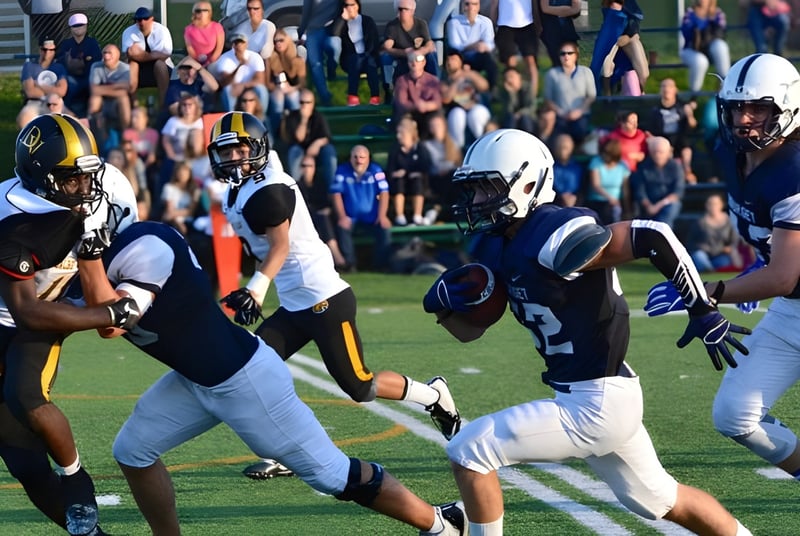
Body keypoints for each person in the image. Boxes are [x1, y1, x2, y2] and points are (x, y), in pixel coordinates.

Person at [423, 128, 752, 536]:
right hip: (596, 395)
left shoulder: (553, 231)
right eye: (473, 190)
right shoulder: (502, 243)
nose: (475, 201)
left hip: (595, 402)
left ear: (527, 184)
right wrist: (446, 304)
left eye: (486, 188)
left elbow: (653, 234)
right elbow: (471, 332)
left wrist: (700, 306)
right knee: (658, 499)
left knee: (469, 450)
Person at [205, 111, 462, 481]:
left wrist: (255, 289)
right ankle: (283, 452)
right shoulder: (239, 189)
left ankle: (434, 396)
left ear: (257, 148)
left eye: (239, 149)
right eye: (225, 152)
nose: (232, 159)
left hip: (325, 300)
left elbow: (279, 247)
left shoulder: (269, 189)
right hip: (294, 304)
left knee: (360, 384)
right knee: (252, 371)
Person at [648, 53, 800, 482]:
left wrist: (705, 290)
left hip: (790, 290)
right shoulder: (733, 155)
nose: (744, 119)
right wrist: (756, 266)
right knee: (734, 415)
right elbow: (768, 236)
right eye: (737, 107)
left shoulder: (794, 170)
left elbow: (785, 275)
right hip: (792, 310)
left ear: (787, 109)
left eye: (758, 108)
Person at [0, 114, 141, 536]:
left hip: (42, 320)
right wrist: (107, 314)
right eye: (70, 180)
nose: (84, 188)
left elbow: (94, 290)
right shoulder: (14, 217)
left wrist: (112, 307)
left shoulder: (94, 203)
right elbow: (27, 310)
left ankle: (76, 476)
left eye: (86, 177)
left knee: (26, 395)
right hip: (23, 313)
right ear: (40, 178)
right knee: (23, 461)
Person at [331, 144, 392, 271]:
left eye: (362, 157)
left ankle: (380, 266)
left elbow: (384, 193)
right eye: (355, 157)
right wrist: (342, 216)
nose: (359, 160)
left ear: (368, 158)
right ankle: (350, 265)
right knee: (342, 227)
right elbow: (336, 194)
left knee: (384, 229)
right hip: (350, 216)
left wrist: (382, 216)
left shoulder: (376, 170)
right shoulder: (342, 171)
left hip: (371, 216)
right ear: (350, 158)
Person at [296, 155, 348, 269]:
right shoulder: (296, 186)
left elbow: (326, 203)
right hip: (305, 219)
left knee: (328, 220)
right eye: (304, 166)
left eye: (310, 166)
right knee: (323, 220)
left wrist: (325, 210)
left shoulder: (321, 184)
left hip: (323, 218)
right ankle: (337, 257)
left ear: (314, 168)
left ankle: (340, 257)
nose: (307, 169)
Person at [381, 0, 438, 100]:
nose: (402, 12)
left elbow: (429, 44)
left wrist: (419, 52)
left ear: (412, 11)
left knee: (432, 55)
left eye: (405, 9)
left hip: (418, 57)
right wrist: (404, 53)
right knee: (385, 58)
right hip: (401, 58)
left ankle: (434, 86)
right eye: (399, 9)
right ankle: (388, 88)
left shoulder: (421, 24)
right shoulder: (392, 25)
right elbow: (387, 47)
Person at [543, 41, 595, 145]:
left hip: (581, 114)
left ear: (576, 55)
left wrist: (579, 111)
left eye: (570, 53)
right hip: (560, 115)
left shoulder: (586, 72)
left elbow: (591, 96)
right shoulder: (552, 74)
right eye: (563, 53)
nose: (566, 56)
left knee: (579, 131)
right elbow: (548, 99)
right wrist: (561, 112)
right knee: (558, 138)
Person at [280, 88, 338, 184]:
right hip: (298, 149)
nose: (304, 105)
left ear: (313, 103)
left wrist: (317, 144)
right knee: (295, 152)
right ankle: (295, 187)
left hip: (316, 151)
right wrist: (304, 120)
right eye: (302, 102)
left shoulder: (318, 116)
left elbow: (326, 137)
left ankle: (332, 189)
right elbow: (299, 139)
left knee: (329, 150)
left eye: (308, 102)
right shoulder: (292, 117)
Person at [647, 78, 699, 184]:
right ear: (660, 90)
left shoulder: (682, 107)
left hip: (679, 137)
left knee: (685, 147)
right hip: (663, 137)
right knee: (663, 146)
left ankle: (688, 172)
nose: (666, 89)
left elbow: (693, 125)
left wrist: (689, 115)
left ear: (675, 90)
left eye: (670, 86)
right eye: (664, 86)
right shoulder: (655, 109)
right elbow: (651, 130)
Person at [122, 7, 174, 109]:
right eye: (138, 19)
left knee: (160, 65)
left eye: (145, 18)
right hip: (140, 71)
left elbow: (165, 55)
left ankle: (163, 106)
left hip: (161, 70)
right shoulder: (129, 32)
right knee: (133, 64)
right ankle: (134, 106)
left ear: (152, 19)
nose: (142, 22)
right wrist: (154, 55)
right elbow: (129, 55)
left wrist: (140, 55)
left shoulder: (162, 31)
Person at [489, 0, 539, 103]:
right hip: (505, 25)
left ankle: (531, 99)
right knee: (510, 65)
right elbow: (494, 4)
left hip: (527, 25)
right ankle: (512, 100)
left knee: (531, 63)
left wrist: (538, 23)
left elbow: (534, 4)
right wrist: (492, 25)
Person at [387, 115, 433, 226]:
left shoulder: (420, 148)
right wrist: (398, 173)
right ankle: (400, 216)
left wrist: (411, 171)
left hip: (417, 181)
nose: (399, 136)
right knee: (398, 181)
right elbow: (390, 168)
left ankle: (417, 215)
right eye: (398, 133)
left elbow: (426, 165)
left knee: (417, 180)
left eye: (401, 133)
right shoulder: (395, 149)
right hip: (400, 182)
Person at [440, 50, 491, 150]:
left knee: (475, 114)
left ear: (460, 62)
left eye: (453, 59)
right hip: (456, 110)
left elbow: (485, 87)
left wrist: (469, 74)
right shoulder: (444, 82)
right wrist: (457, 81)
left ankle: (483, 145)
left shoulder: (470, 75)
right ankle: (459, 150)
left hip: (476, 107)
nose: (450, 62)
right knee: (457, 115)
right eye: (448, 60)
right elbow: (446, 99)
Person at [630, 136, 685, 227]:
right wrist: (648, 206)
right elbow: (640, 190)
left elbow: (677, 191)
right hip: (648, 203)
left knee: (671, 208)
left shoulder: (676, 167)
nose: (657, 155)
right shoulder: (643, 167)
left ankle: (660, 234)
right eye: (655, 152)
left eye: (661, 152)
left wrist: (658, 206)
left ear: (668, 152)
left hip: (667, 203)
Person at [335, 0, 382, 106]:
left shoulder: (367, 21)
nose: (350, 8)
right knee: (355, 59)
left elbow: (374, 42)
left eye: (352, 5)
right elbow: (335, 34)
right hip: (350, 61)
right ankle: (353, 97)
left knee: (370, 62)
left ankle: (375, 97)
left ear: (358, 6)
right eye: (346, 5)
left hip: (368, 56)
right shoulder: (342, 23)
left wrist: (366, 54)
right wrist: (343, 19)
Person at [679, 0, 730, 93]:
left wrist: (712, 19)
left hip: (711, 48)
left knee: (720, 46)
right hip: (692, 49)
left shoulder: (717, 13)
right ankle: (693, 95)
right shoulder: (690, 13)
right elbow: (687, 33)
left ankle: (725, 83)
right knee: (700, 61)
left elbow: (722, 33)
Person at [297, 0, 341, 106]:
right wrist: (301, 32)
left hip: (333, 29)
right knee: (315, 64)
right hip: (314, 30)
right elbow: (306, 12)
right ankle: (325, 97)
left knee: (334, 47)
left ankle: (331, 69)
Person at [445, 0, 497, 89]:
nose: (471, 7)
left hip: (478, 56)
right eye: (467, 4)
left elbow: (489, 45)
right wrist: (475, 46)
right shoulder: (454, 22)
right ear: (462, 6)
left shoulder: (486, 22)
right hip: (460, 55)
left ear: (478, 6)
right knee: (453, 59)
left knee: (490, 63)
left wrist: (479, 46)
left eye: (474, 4)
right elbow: (455, 46)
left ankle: (491, 90)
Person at [57, 13, 101, 116]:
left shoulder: (92, 43)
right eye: (75, 26)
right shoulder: (66, 44)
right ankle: (68, 115)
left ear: (86, 26)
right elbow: (61, 62)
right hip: (70, 78)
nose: (78, 28)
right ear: (71, 28)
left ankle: (91, 117)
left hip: (89, 77)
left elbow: (97, 61)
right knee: (69, 86)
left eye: (81, 25)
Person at [265, 28, 306, 135]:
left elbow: (302, 83)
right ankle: (275, 133)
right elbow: (267, 83)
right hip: (276, 88)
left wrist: (291, 88)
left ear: (288, 40)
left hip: (293, 88)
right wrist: (277, 88)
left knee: (293, 97)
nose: (278, 43)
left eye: (281, 40)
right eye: (275, 41)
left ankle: (296, 132)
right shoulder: (270, 59)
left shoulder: (298, 60)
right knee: (278, 99)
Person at [686, 192, 741, 273]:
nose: (713, 207)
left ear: (721, 205)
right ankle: (709, 270)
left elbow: (734, 240)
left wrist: (729, 248)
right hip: (704, 253)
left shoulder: (729, 221)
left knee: (725, 261)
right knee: (699, 257)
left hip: (720, 254)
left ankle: (710, 270)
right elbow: (691, 243)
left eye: (715, 204)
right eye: (710, 204)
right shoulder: (700, 223)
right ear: (706, 205)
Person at [216, 33, 269, 115]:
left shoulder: (255, 57)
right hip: (234, 87)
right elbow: (225, 83)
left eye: (241, 43)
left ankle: (261, 118)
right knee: (227, 90)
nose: (239, 46)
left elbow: (260, 80)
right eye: (236, 43)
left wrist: (243, 85)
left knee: (261, 89)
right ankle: (232, 118)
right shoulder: (225, 59)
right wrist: (239, 66)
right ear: (233, 46)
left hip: (250, 87)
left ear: (246, 44)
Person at [87, 44, 131, 142]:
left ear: (117, 55)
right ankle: (91, 132)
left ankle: (126, 136)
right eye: (104, 53)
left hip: (117, 102)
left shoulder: (125, 69)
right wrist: (117, 87)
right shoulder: (96, 66)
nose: (106, 56)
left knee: (124, 99)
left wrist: (102, 89)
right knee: (95, 98)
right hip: (102, 101)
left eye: (109, 53)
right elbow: (94, 90)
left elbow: (125, 91)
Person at [586, 137, 631, 224]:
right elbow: (596, 185)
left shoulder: (623, 165)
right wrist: (610, 198)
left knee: (616, 212)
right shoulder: (596, 162)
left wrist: (627, 207)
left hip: (616, 203)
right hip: (598, 200)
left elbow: (625, 188)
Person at [393, 53, 443, 130]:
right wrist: (417, 106)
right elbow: (401, 103)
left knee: (436, 122)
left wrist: (425, 106)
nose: (414, 63)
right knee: (406, 123)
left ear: (424, 62)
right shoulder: (401, 80)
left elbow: (437, 102)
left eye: (417, 60)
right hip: (408, 115)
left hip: (428, 115)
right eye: (411, 60)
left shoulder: (433, 80)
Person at [21, 37, 67, 105]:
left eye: (51, 50)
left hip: (55, 104)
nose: (47, 53)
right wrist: (53, 91)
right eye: (44, 49)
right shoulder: (29, 66)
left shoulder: (59, 67)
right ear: (40, 49)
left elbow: (62, 92)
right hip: (35, 102)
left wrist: (38, 85)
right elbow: (30, 92)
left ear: (54, 51)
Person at [538, 0, 582, 69]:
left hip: (568, 30)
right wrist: (567, 10)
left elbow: (576, 9)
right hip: (551, 31)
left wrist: (557, 11)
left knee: (572, 63)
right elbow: (545, 8)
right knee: (558, 64)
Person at [184, 1, 225, 69]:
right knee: (181, 69)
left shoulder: (217, 27)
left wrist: (209, 62)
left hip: (214, 60)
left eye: (205, 10)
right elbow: (190, 48)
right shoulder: (188, 29)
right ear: (194, 12)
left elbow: (219, 49)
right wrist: (197, 62)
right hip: (194, 60)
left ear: (209, 12)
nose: (201, 13)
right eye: (198, 11)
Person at [552, 133, 584, 208]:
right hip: (555, 204)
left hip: (576, 203)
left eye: (565, 148)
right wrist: (561, 197)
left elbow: (582, 189)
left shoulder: (578, 168)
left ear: (571, 148)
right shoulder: (550, 167)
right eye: (559, 147)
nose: (562, 151)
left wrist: (574, 198)